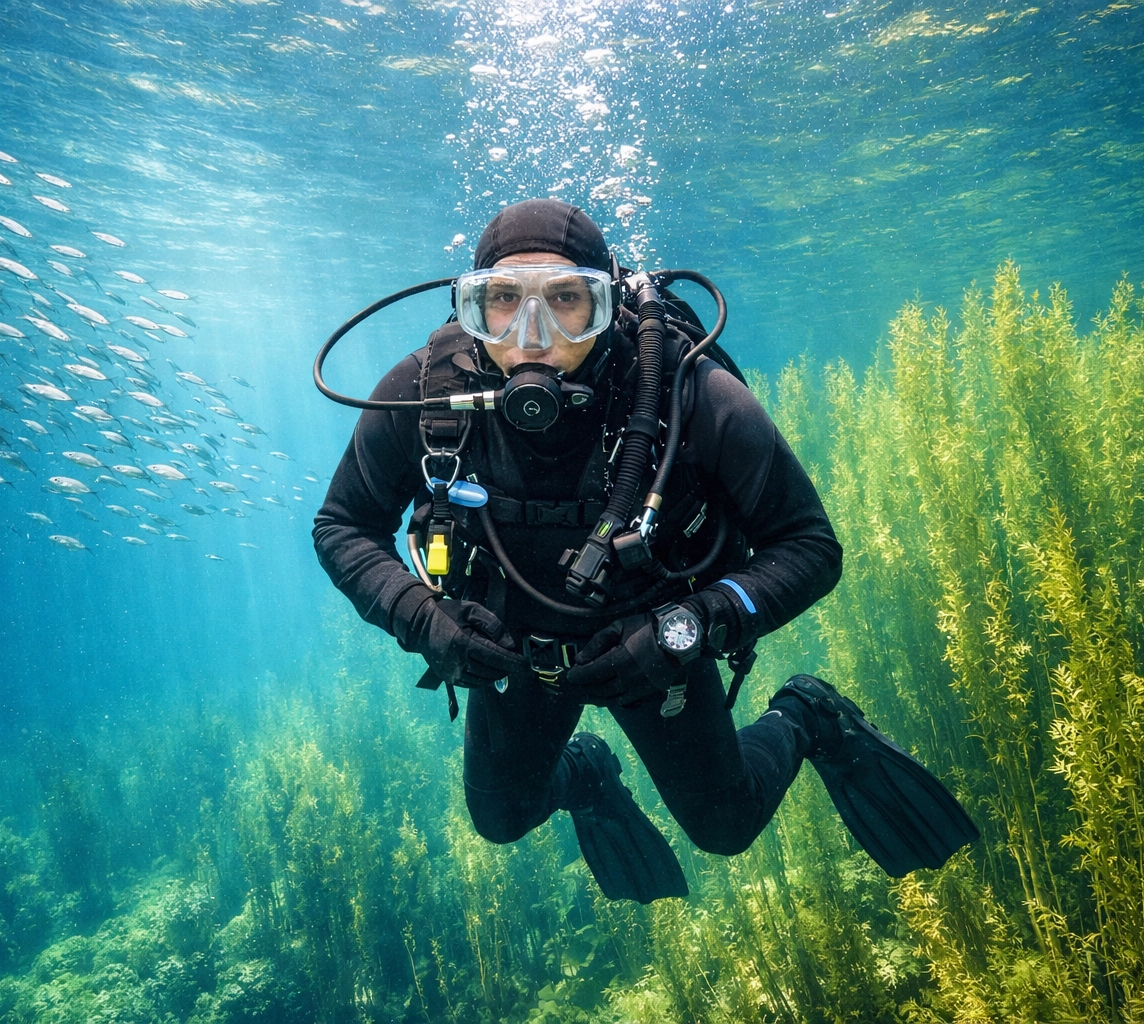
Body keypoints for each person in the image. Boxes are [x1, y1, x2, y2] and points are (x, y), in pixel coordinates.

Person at [314, 199, 976, 902]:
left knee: (726, 826)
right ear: (468, 308)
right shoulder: (425, 394)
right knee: (502, 819)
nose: (530, 335)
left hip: (655, 648)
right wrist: (422, 618)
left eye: (567, 301)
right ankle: (588, 775)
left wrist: (687, 630)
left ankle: (807, 714)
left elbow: (810, 545)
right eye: (501, 302)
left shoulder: (690, 393)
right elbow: (342, 525)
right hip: (512, 651)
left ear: (605, 302)